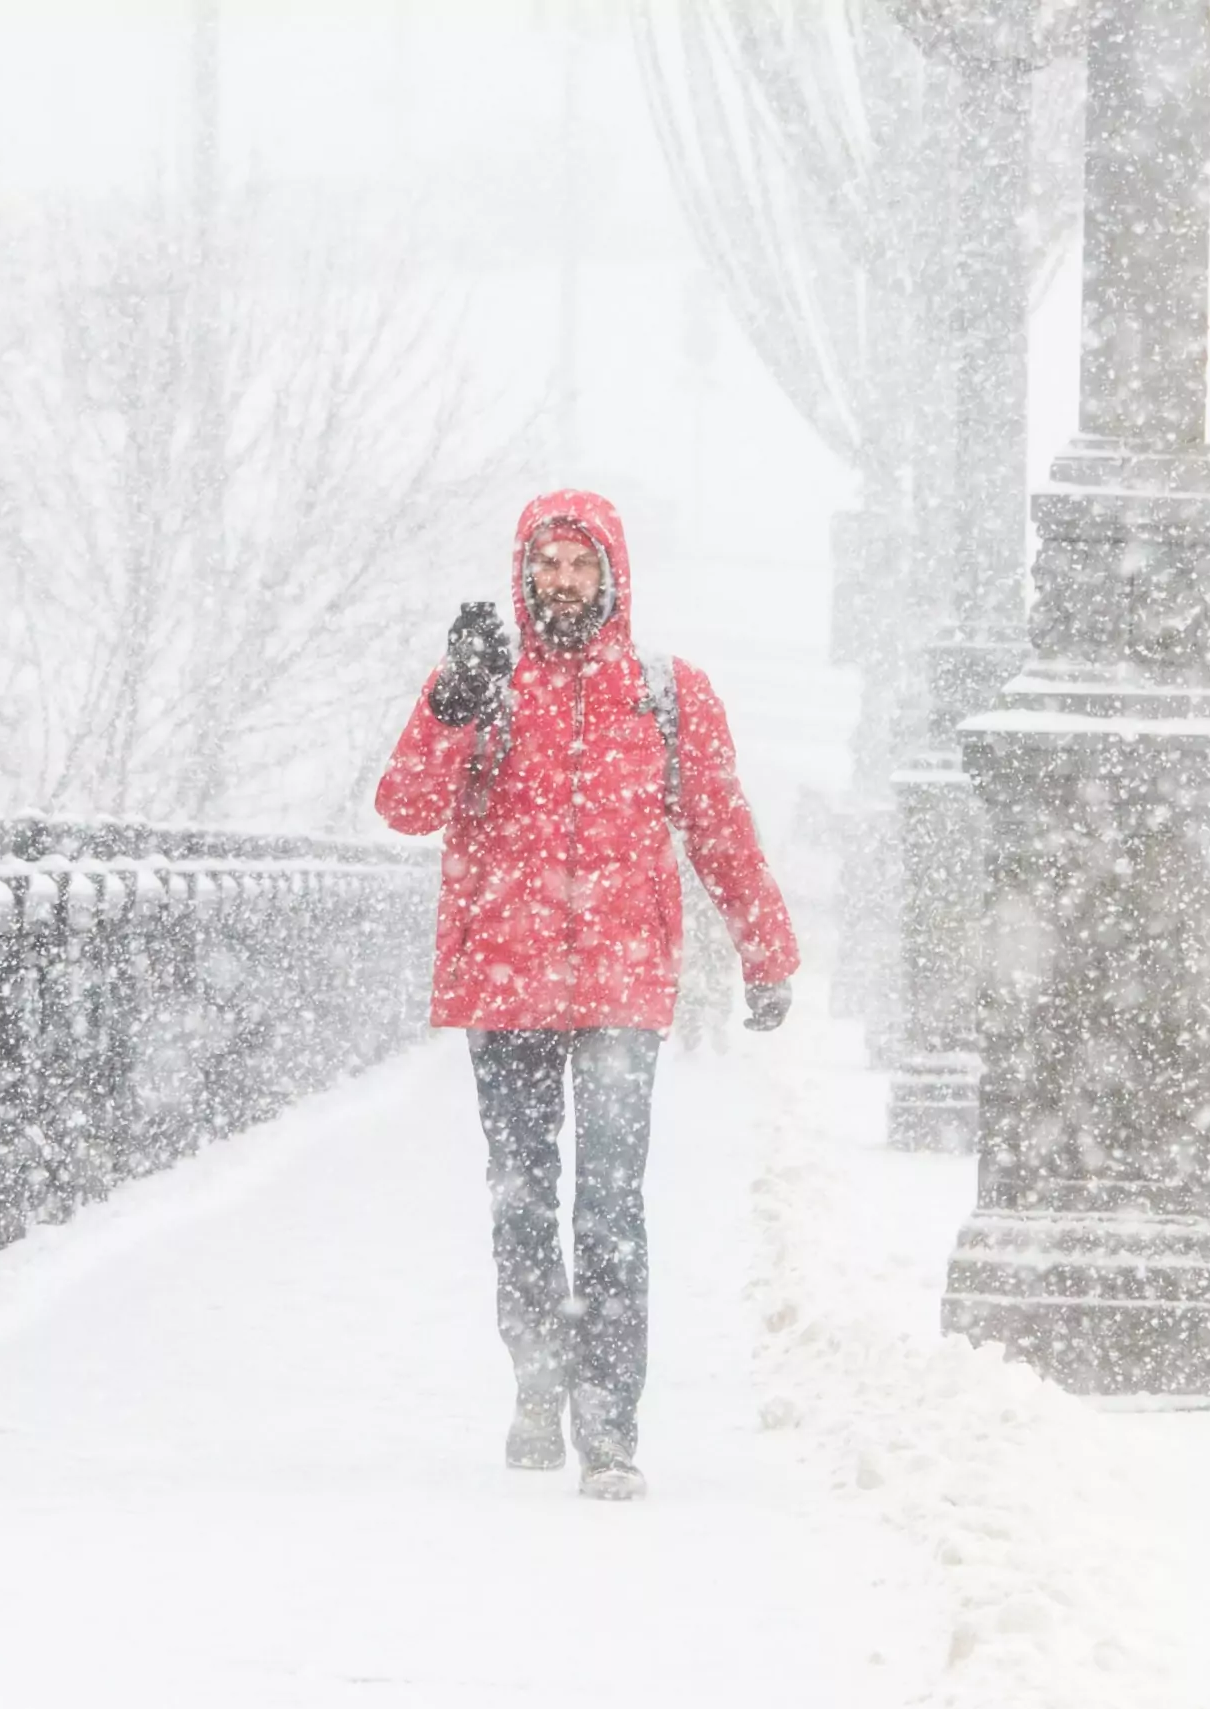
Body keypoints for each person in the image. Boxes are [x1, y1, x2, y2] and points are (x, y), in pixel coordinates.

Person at [374, 489, 799, 1501]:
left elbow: (720, 827)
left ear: (611, 576)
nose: (563, 582)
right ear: (523, 573)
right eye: (548, 563)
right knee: (523, 1202)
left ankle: (609, 1430)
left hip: (618, 980)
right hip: (507, 978)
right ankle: (536, 1382)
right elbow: (404, 806)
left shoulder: (665, 692)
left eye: (580, 564)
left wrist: (766, 948)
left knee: (609, 1204)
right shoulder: (485, 684)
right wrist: (448, 706)